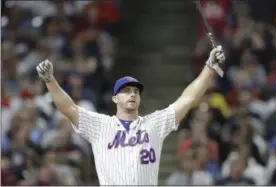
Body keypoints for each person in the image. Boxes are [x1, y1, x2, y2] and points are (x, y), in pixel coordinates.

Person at [36, 45, 225, 185]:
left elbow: (188, 99)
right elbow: (68, 108)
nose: (132, 94)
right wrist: (50, 81)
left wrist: (209, 67)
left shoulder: (154, 124)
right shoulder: (100, 125)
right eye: (126, 90)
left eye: (136, 91)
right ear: (115, 98)